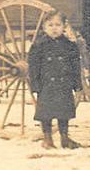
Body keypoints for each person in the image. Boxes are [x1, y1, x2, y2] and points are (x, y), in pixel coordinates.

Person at [28, 10, 82, 149]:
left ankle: (65, 138)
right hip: (46, 86)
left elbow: (76, 68)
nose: (54, 28)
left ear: (64, 26)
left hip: (64, 84)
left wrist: (77, 86)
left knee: (63, 112)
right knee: (46, 113)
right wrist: (35, 86)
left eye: (58, 25)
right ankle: (47, 139)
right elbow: (33, 68)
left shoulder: (70, 46)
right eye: (50, 25)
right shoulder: (39, 46)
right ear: (44, 28)